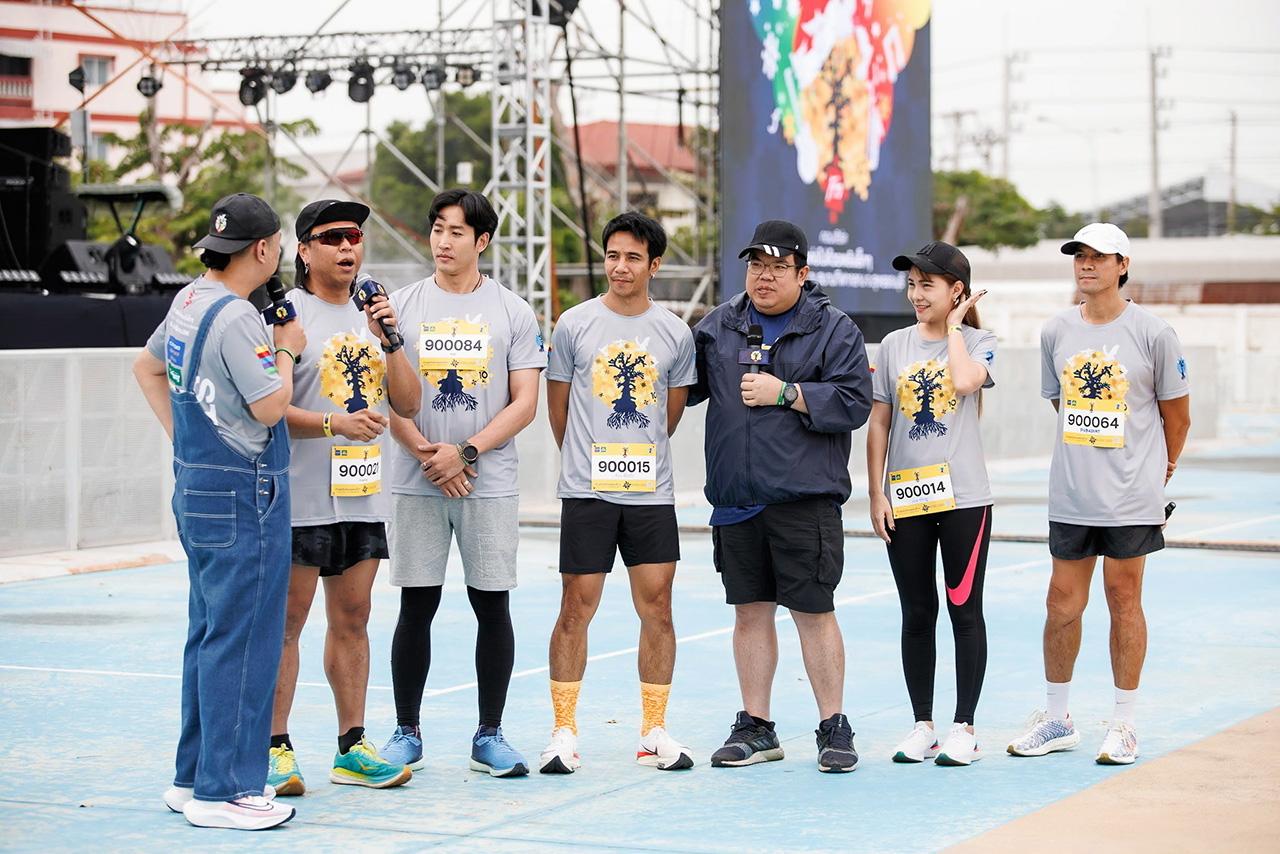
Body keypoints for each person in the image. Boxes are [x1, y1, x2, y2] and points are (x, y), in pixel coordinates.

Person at [133, 193, 301, 829]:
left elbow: (146, 368)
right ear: (263, 249)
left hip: (198, 483)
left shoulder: (188, 300)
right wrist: (287, 349)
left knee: (209, 633)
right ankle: (224, 791)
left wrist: (186, 443)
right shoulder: (237, 318)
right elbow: (269, 407)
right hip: (242, 492)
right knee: (246, 637)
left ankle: (192, 777)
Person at [687, 219, 873, 773]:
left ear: (802, 272)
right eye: (756, 266)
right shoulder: (719, 326)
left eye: (777, 267)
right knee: (749, 613)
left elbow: (854, 402)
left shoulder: (834, 329)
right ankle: (756, 726)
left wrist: (787, 393)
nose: (764, 277)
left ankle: (833, 726)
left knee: (813, 612)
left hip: (802, 500)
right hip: (736, 499)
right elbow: (681, 386)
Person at [378, 189, 547, 778]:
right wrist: (428, 455)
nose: (443, 241)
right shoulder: (400, 307)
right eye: (437, 229)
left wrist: (466, 452)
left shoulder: (513, 311)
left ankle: (489, 734)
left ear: (482, 241)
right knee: (415, 605)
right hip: (417, 478)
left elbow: (524, 402)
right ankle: (406, 732)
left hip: (487, 481)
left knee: (492, 605)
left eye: (457, 232)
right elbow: (385, 394)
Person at [1008, 222, 1191, 765]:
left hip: (1132, 496)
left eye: (1099, 256)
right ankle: (1057, 718)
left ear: (1123, 266)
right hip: (1071, 494)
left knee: (1123, 599)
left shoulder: (1155, 334)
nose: (1086, 264)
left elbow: (1177, 416)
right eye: (1079, 256)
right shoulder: (1055, 331)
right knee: (1060, 602)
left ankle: (1124, 724)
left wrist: (1162, 468)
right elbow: (1059, 403)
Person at [265, 199, 421, 796]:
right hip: (299, 497)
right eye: (331, 237)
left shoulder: (375, 316)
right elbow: (267, 410)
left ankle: (352, 746)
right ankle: (274, 749)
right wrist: (334, 424)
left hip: (362, 496)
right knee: (287, 624)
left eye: (354, 236)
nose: (347, 247)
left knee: (353, 619)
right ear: (304, 251)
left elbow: (408, 403)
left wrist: (391, 341)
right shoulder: (283, 317)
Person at [538, 212, 698, 775]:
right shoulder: (573, 325)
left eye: (633, 257)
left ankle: (653, 731)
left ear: (655, 265)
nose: (620, 266)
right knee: (575, 607)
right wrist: (587, 464)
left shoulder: (676, 333)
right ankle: (563, 731)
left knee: (658, 607)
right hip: (587, 494)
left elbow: (668, 418)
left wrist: (634, 457)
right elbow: (558, 412)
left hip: (651, 496)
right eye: (612, 255)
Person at [867, 241, 995, 766]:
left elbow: (963, 382)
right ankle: (924, 726)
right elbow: (879, 421)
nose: (916, 295)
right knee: (917, 613)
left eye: (928, 285)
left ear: (956, 290)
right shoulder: (894, 345)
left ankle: (965, 727)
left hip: (965, 501)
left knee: (965, 610)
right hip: (906, 497)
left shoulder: (980, 342)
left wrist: (957, 328)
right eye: (912, 285)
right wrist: (876, 491)